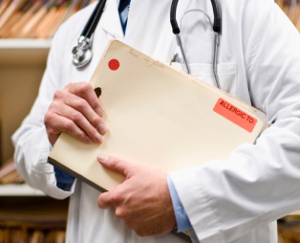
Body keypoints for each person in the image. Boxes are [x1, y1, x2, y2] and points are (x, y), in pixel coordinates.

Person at [12, 0, 300, 242]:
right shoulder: (75, 31)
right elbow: (26, 144)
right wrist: (56, 142)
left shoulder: (247, 11)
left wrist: (182, 200)